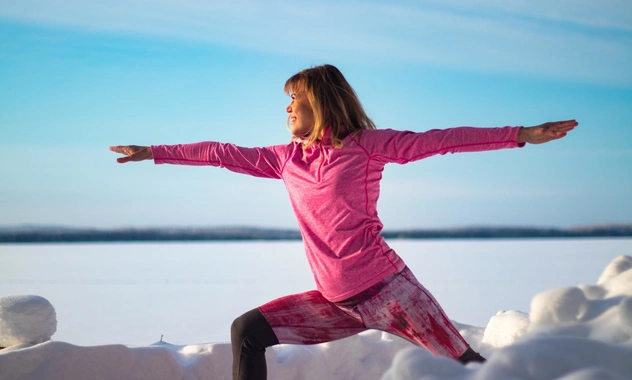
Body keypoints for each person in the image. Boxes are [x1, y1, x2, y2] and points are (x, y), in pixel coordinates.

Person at [110, 64, 577, 380]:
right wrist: (155, 152)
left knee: (468, 367)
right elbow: (221, 154)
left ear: (321, 101)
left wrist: (520, 134)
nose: (287, 108)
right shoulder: (285, 160)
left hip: (392, 293)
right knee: (247, 331)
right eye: (287, 100)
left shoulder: (366, 145)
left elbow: (441, 140)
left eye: (295, 98)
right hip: (335, 302)